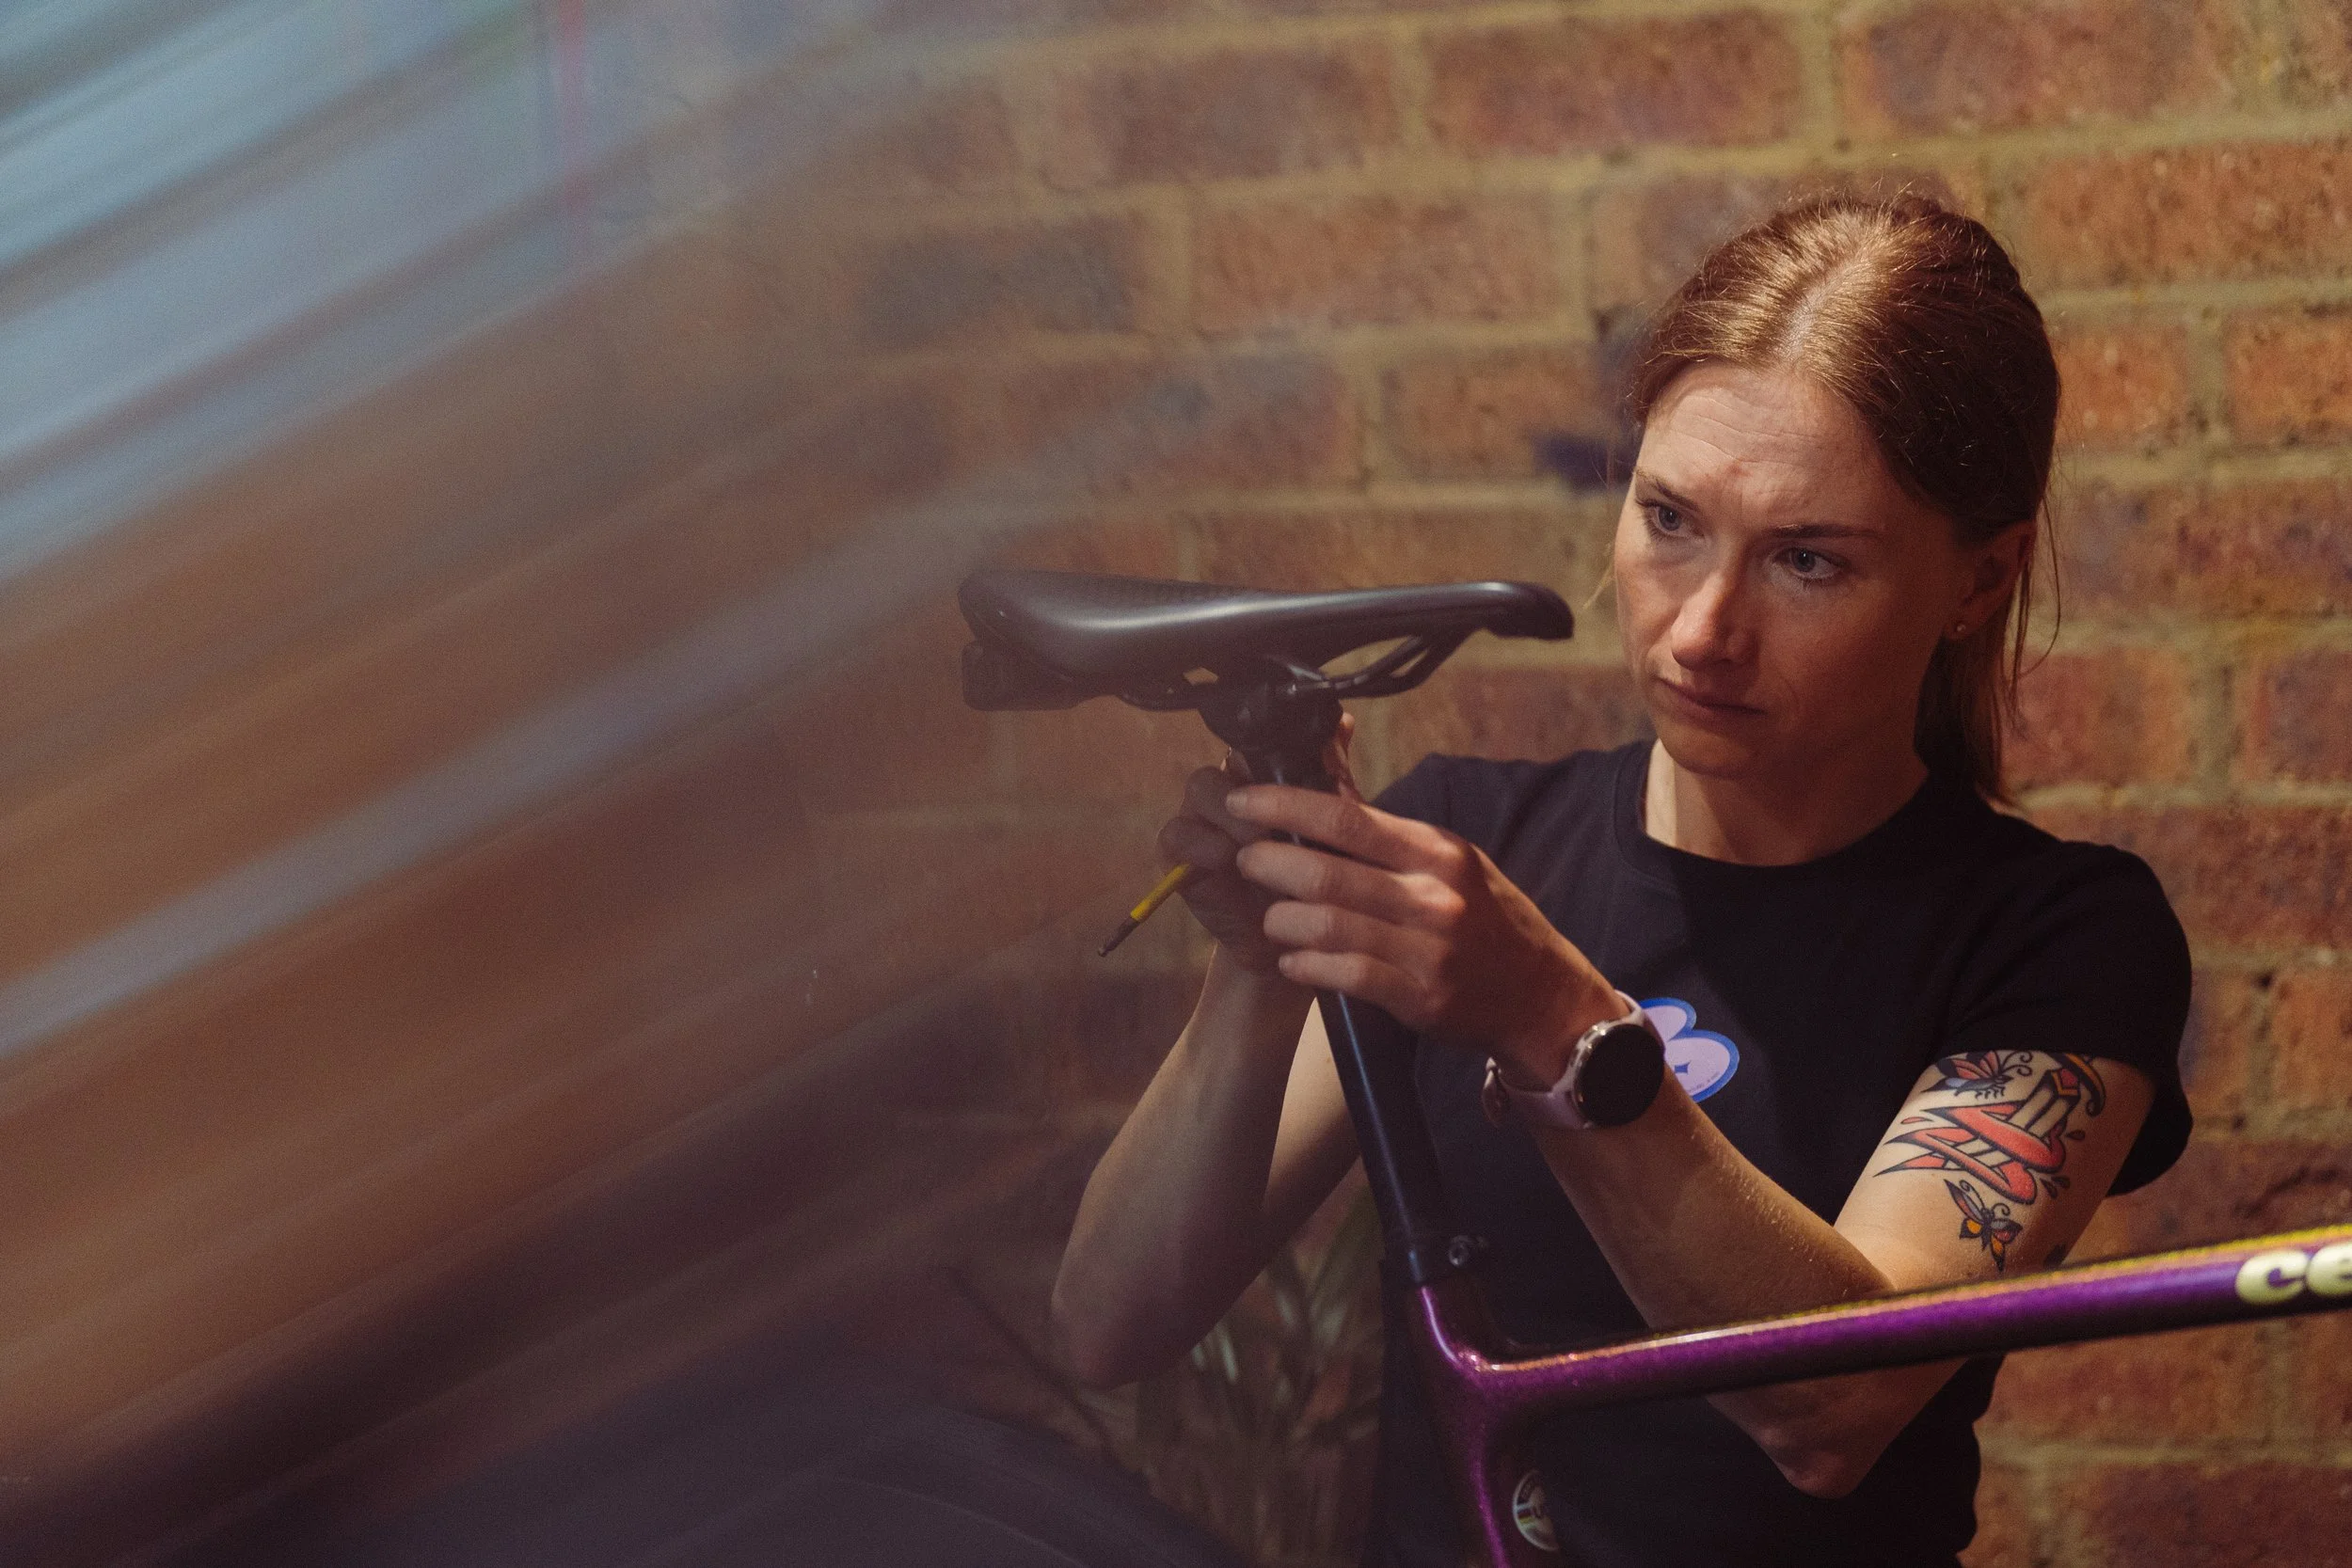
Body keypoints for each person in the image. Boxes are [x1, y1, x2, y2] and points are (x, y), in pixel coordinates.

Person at [1047, 194, 2193, 1567]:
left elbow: (1833, 1405)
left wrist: (1553, 1021)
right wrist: (1256, 960)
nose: (1704, 627)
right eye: (1670, 519)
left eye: (1807, 559)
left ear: (1980, 577)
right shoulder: (1473, 842)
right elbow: (1110, 1319)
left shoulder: (2057, 937)